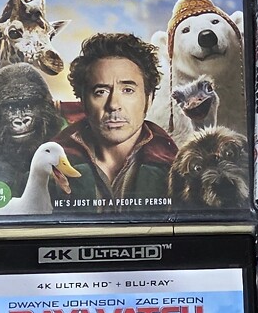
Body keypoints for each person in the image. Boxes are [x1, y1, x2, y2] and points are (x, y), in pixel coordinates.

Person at [51, 31, 177, 212]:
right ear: (83, 102)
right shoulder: (49, 166)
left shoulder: (176, 169)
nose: (113, 105)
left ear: (149, 99)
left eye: (127, 90)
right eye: (100, 92)